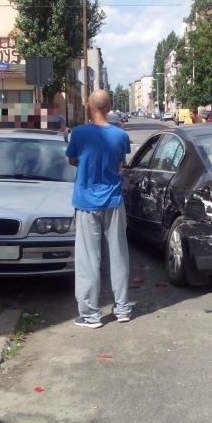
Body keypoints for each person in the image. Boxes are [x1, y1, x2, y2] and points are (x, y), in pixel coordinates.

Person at [66, 89, 131, 328]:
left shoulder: (79, 134)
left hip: (86, 201)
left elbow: (72, 160)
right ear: (110, 106)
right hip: (113, 200)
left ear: (87, 106)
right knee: (118, 255)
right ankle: (123, 309)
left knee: (88, 260)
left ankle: (91, 315)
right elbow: (120, 163)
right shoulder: (120, 135)